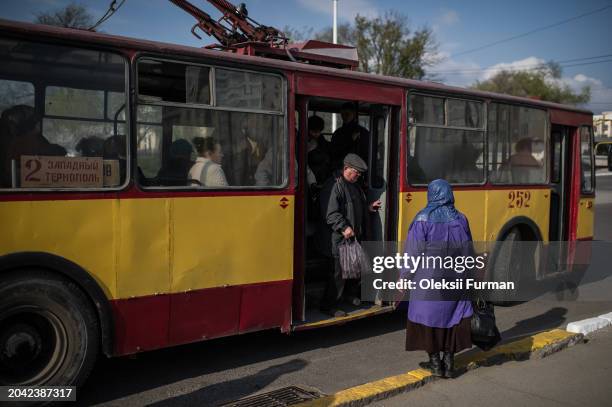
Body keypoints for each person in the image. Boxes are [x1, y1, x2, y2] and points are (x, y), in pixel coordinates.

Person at [401, 179, 473, 378]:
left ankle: (435, 363)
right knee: (453, 317)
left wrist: (404, 277)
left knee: (428, 318)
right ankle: (449, 363)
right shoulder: (461, 218)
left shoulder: (423, 219)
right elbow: (468, 251)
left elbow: (413, 253)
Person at [319, 153, 382, 317]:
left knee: (354, 269)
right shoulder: (334, 186)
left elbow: (355, 207)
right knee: (337, 274)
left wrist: (368, 208)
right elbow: (330, 214)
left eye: (360, 174)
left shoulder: (354, 186)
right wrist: (343, 227)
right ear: (346, 168)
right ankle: (329, 306)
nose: (358, 176)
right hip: (338, 239)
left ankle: (348, 295)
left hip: (351, 238)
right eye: (356, 172)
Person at [1, 105, 66, 187]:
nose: (39, 125)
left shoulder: (34, 139)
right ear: (31, 124)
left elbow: (57, 151)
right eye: (37, 122)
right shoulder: (23, 142)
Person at [330, 102, 370, 168]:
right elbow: (334, 152)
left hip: (358, 167)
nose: (344, 117)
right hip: (341, 166)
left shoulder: (362, 132)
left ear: (353, 114)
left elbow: (366, 152)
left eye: (347, 114)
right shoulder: (338, 133)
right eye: (342, 114)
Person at [307, 115, 332, 185]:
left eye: (319, 131)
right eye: (314, 131)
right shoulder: (303, 141)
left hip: (324, 177)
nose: (316, 134)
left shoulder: (322, 142)